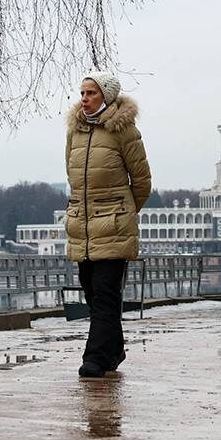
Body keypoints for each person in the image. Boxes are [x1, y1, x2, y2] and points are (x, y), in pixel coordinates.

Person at [64, 71, 152, 378]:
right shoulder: (75, 131)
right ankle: (114, 349)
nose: (84, 98)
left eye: (91, 93)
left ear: (107, 96)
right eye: (83, 93)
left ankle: (96, 358)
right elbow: (71, 176)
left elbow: (141, 181)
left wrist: (123, 212)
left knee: (104, 293)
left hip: (113, 225)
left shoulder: (123, 130)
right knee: (92, 291)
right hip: (83, 228)